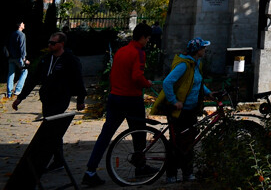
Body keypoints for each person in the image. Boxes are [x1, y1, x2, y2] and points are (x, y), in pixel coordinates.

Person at [82, 23, 155, 187]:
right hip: (131, 98)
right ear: (143, 37)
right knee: (139, 134)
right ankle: (140, 166)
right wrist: (147, 83)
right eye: (148, 38)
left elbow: (114, 74)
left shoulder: (121, 51)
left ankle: (90, 170)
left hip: (115, 97)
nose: (148, 41)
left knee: (105, 135)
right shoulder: (138, 53)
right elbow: (137, 77)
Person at [152, 37, 212, 184]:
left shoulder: (196, 64)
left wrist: (208, 92)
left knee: (189, 142)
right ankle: (171, 175)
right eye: (203, 48)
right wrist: (174, 101)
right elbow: (167, 82)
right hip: (179, 111)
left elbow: (195, 83)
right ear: (197, 50)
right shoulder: (184, 65)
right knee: (177, 143)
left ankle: (187, 173)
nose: (205, 50)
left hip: (190, 109)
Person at [13, 30, 86, 118]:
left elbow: (78, 79)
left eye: (53, 43)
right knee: (48, 118)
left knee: (53, 119)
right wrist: (20, 97)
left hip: (61, 97)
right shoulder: (46, 60)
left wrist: (80, 100)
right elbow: (33, 79)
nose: (49, 45)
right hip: (46, 97)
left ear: (61, 44)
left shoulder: (70, 60)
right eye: (49, 43)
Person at [6, 20, 29, 99]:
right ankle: (18, 90)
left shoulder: (12, 34)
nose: (24, 24)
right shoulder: (21, 34)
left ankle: (9, 92)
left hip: (11, 57)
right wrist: (24, 59)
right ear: (20, 25)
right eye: (23, 23)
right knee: (25, 71)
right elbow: (22, 47)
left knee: (11, 74)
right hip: (18, 58)